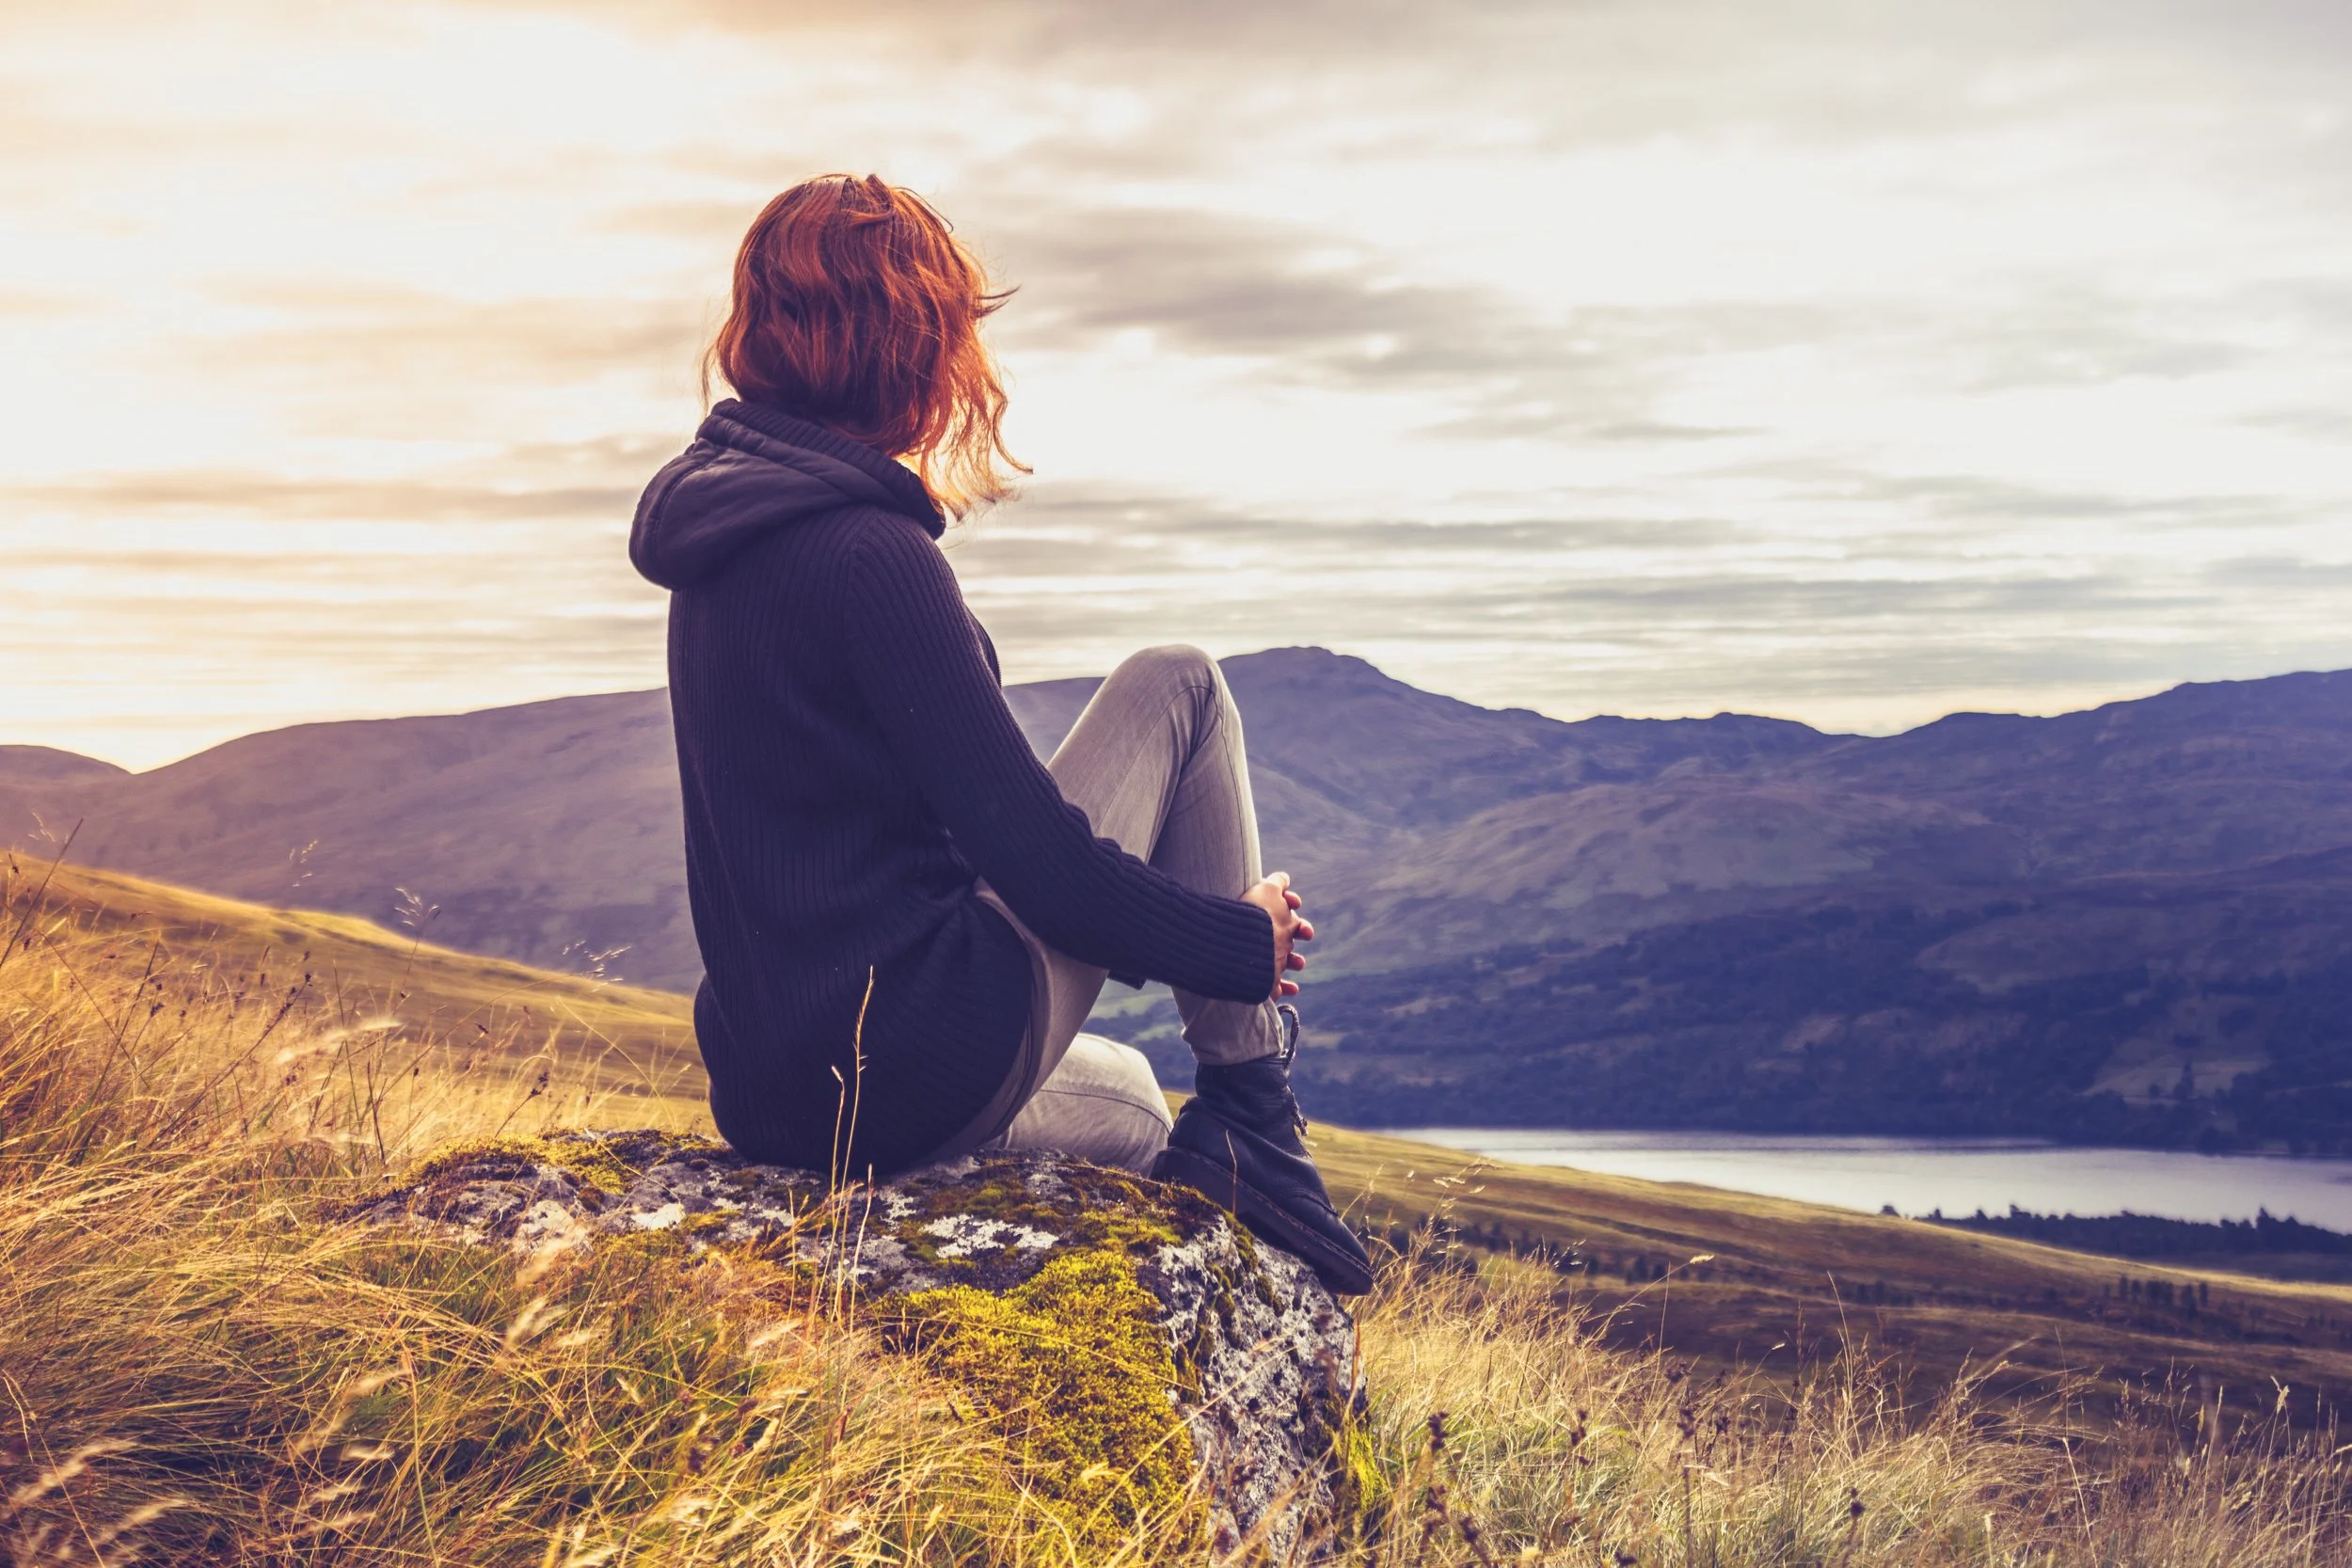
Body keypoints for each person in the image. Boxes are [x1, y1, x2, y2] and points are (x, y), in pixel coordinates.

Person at [628, 174, 1373, 1294]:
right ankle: (1254, 1116)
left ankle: (1224, 1128)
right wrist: (1235, 939)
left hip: (773, 1083)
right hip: (906, 1062)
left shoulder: (719, 537)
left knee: (1120, 1091)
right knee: (1181, 683)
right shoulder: (873, 555)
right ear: (908, 340)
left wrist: (1140, 919)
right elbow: (1042, 864)